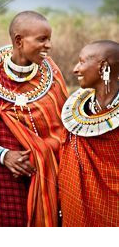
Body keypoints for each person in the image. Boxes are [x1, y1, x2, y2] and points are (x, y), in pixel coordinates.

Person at [0, 11, 68, 227]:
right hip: (0, 178)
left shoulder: (53, 76)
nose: (49, 46)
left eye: (49, 39)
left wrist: (39, 153)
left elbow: (62, 131)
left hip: (43, 175)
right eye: (42, 39)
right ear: (19, 41)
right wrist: (4, 155)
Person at [59, 40, 118, 226]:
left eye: (82, 62)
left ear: (104, 67)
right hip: (77, 206)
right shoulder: (77, 107)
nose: (76, 69)